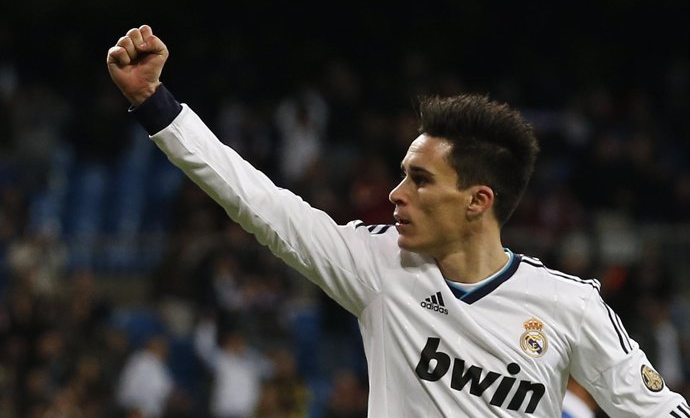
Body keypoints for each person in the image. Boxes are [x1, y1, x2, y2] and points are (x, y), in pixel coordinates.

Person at [107, 25, 690, 417]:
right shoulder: (379, 267)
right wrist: (157, 104)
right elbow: (260, 205)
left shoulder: (570, 306)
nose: (394, 193)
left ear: (477, 201)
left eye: (420, 179)